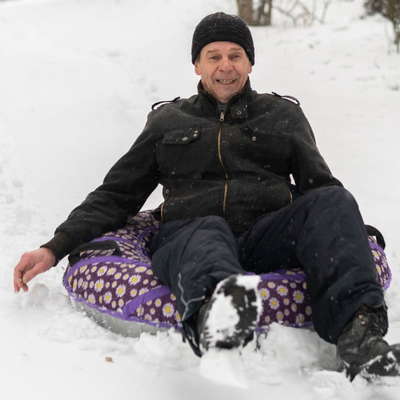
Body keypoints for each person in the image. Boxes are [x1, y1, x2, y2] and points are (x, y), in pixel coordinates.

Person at [13, 12, 400, 380]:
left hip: (267, 233)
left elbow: (321, 188)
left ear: (250, 63)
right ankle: (220, 331)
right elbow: (116, 193)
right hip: (190, 233)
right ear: (197, 65)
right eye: (213, 56)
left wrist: (347, 229)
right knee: (208, 230)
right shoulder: (168, 121)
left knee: (336, 199)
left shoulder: (282, 116)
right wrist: (54, 247)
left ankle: (359, 336)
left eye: (235, 55)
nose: (225, 65)